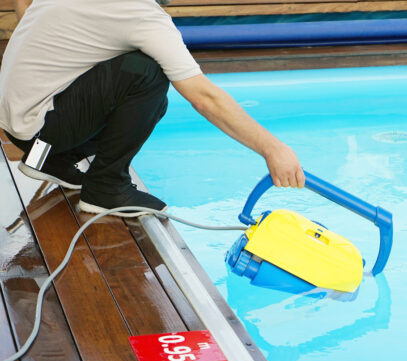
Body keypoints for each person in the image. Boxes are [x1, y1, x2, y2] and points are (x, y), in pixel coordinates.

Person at [1, 0, 305, 217]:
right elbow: (203, 97)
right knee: (148, 73)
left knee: (146, 92)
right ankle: (106, 188)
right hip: (40, 127)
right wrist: (272, 148)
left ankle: (50, 160)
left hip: (20, 129)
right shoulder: (138, 13)